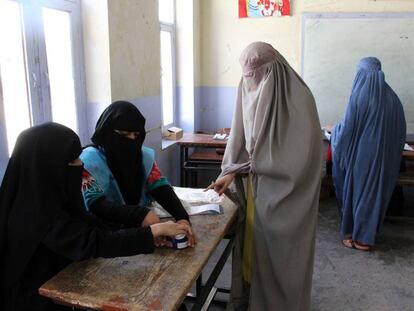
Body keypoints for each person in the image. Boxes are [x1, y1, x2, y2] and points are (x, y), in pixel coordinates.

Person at [0, 123, 191, 311]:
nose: (80, 163)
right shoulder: (35, 215)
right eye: (73, 159)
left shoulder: (52, 198)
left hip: (67, 285)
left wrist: (147, 233)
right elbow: (91, 241)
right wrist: (150, 233)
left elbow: (93, 227)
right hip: (39, 301)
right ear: (49, 165)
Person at [208, 42, 323, 311]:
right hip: (255, 193)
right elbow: (241, 138)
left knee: (284, 258)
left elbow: (302, 160)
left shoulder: (301, 101)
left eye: (259, 75)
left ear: (275, 70)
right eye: (248, 77)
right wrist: (231, 171)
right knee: (254, 252)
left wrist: (257, 166)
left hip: (288, 200)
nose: (253, 84)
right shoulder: (247, 88)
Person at [80, 101, 195, 246]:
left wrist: (182, 217)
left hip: (136, 227)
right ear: (107, 131)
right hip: (103, 235)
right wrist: (140, 215)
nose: (132, 140)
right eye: (124, 134)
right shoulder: (89, 162)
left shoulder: (142, 156)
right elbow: (95, 204)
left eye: (136, 135)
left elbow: (159, 186)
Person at [326, 57, 406, 251]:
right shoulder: (393, 97)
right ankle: (365, 238)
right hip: (384, 160)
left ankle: (353, 234)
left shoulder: (359, 96)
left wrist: (333, 130)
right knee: (374, 193)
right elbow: (400, 130)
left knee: (357, 192)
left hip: (361, 158)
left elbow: (346, 131)